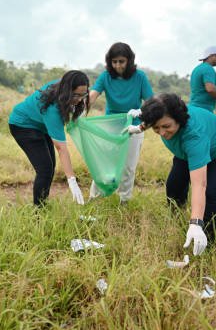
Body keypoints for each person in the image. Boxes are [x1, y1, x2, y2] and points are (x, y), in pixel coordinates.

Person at [132, 93, 216, 255]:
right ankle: (175, 219)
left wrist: (196, 223)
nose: (162, 132)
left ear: (179, 119)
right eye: (156, 128)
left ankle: (208, 240)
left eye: (166, 126)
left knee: (211, 191)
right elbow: (153, 120)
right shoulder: (163, 117)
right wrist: (139, 127)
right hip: (187, 151)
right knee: (174, 185)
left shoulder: (194, 136)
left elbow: (199, 185)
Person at [8, 70, 89, 207]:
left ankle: (43, 203)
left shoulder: (61, 86)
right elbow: (61, 148)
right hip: (23, 125)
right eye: (76, 95)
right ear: (67, 91)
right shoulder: (53, 110)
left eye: (84, 94)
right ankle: (39, 213)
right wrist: (72, 180)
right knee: (45, 169)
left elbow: (80, 103)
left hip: (40, 125)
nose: (80, 99)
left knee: (50, 166)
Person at [87, 42, 154, 203]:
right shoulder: (105, 76)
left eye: (121, 61)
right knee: (104, 163)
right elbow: (93, 95)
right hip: (112, 124)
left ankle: (124, 199)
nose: (117, 65)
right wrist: (80, 111)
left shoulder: (140, 77)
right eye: (114, 61)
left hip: (133, 125)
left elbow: (151, 102)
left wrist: (141, 111)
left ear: (129, 60)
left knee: (128, 167)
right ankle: (94, 198)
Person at [189, 45, 216, 112]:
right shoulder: (208, 68)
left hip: (194, 107)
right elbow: (211, 89)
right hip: (203, 109)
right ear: (211, 56)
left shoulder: (197, 69)